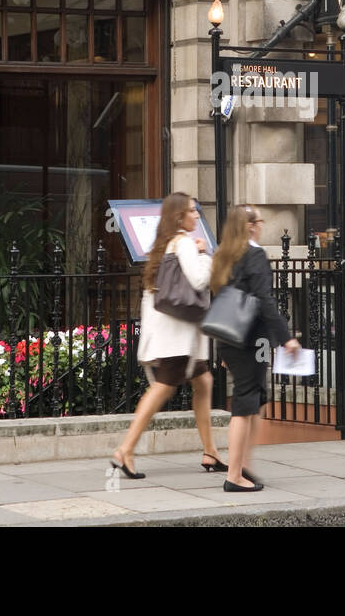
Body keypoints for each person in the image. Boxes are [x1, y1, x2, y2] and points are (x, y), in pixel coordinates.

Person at [111, 192, 227, 479]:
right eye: (192, 211)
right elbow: (200, 280)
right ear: (178, 216)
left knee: (204, 380)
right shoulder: (184, 244)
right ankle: (125, 449)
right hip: (178, 336)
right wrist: (205, 254)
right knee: (163, 387)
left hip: (172, 332)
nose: (197, 216)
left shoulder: (162, 246)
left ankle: (210, 451)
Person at [209, 205, 300, 493]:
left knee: (256, 398)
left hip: (229, 340)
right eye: (258, 221)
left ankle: (243, 465)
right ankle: (234, 475)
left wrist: (224, 350)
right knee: (245, 402)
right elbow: (265, 300)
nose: (261, 225)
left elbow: (221, 299)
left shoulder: (224, 255)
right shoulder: (254, 255)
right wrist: (287, 338)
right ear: (249, 227)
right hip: (251, 341)